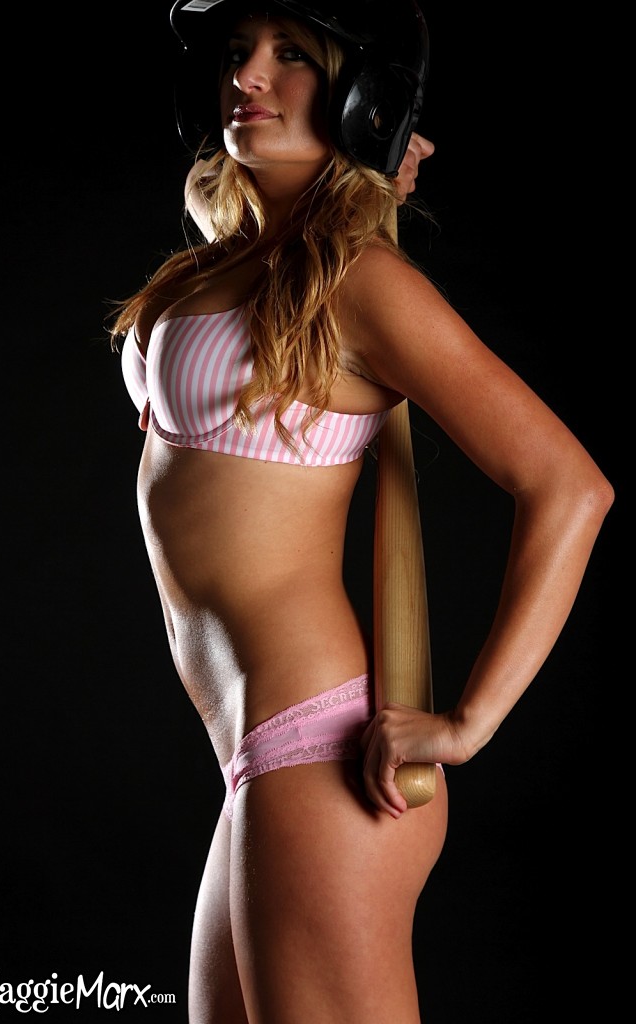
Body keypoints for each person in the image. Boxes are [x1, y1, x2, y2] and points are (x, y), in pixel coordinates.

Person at [109, 2, 613, 1021]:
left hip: (323, 754)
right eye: (237, 52)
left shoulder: (360, 281)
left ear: (359, 95)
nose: (248, 74)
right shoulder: (241, 262)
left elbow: (570, 484)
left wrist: (468, 721)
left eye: (292, 55)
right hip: (256, 762)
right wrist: (364, 182)